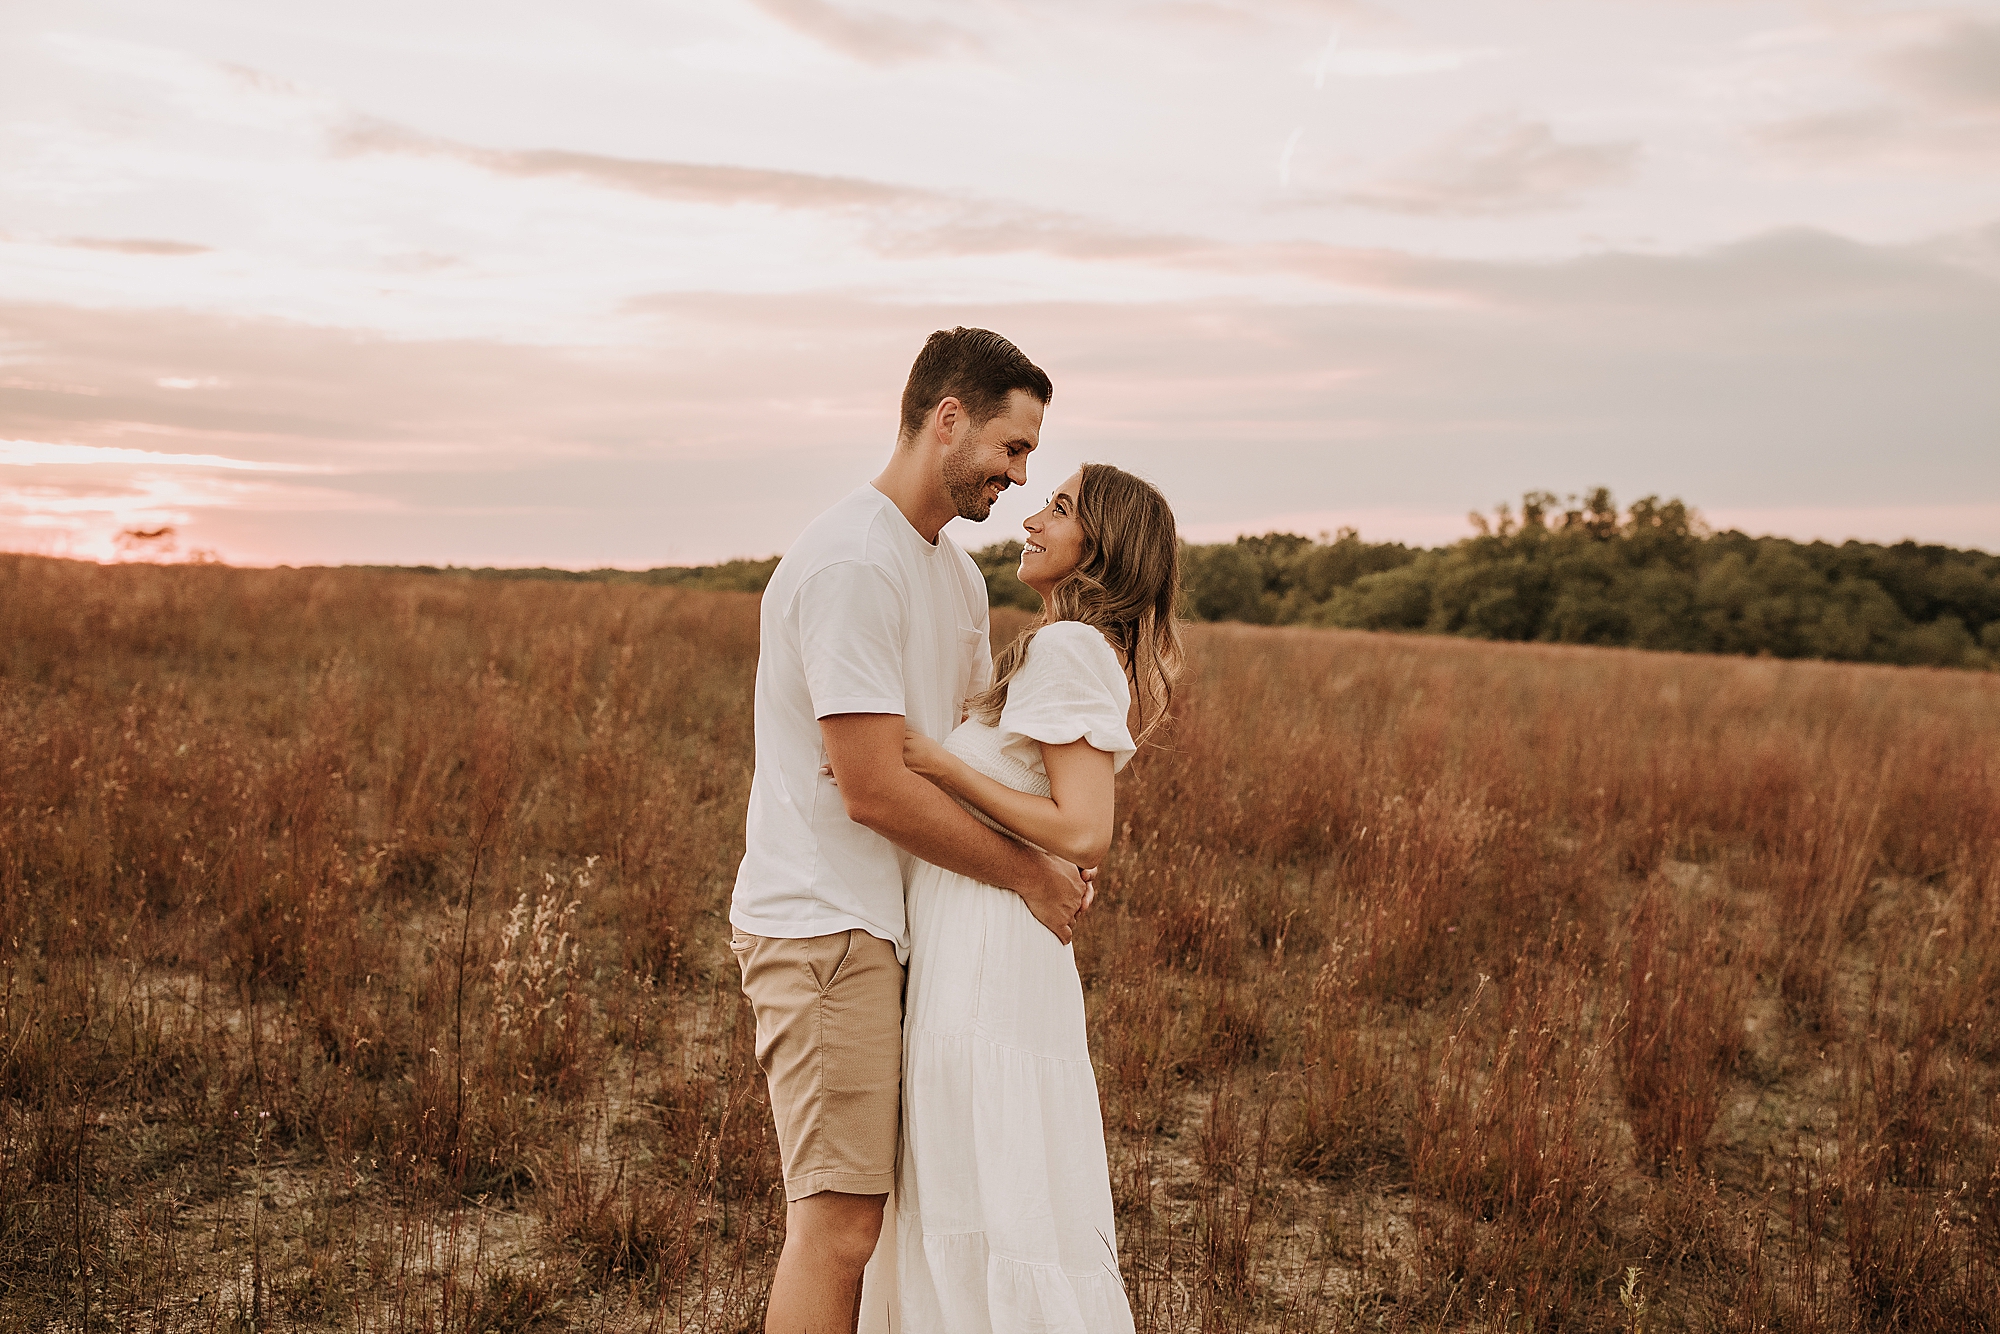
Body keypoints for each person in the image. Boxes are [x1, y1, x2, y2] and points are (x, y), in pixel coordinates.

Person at [729, 327, 1091, 1334]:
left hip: (903, 926)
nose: (1020, 477)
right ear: (946, 420)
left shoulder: (954, 578)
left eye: (1027, 458)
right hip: (823, 926)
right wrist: (1028, 873)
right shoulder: (852, 560)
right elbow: (874, 788)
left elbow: (959, 759)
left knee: (892, 1224)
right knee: (840, 1223)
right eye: (1011, 448)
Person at [883, 463, 1184, 1333]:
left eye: (1059, 508)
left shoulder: (1070, 648)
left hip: (989, 950)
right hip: (975, 935)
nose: (1031, 518)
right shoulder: (1066, 647)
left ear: (1103, 546)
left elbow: (1085, 831)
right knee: (977, 1181)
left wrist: (934, 760)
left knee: (979, 1180)